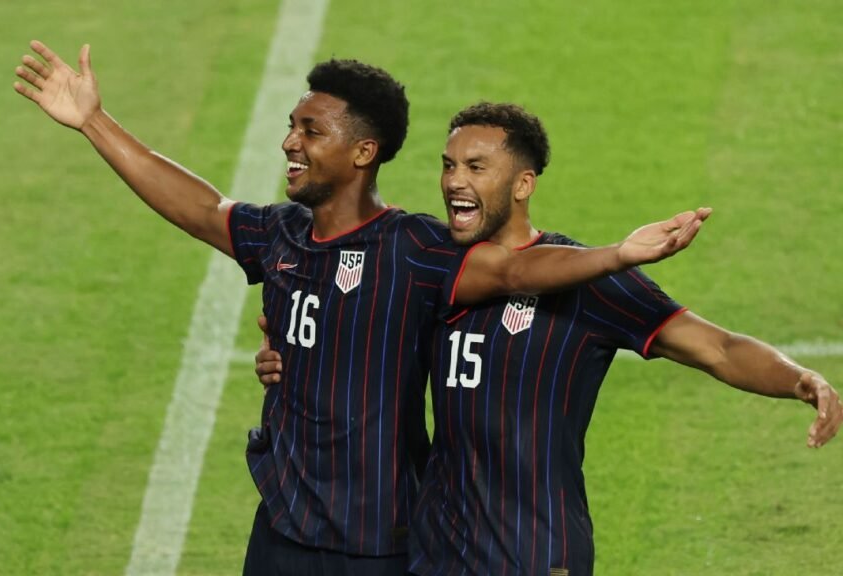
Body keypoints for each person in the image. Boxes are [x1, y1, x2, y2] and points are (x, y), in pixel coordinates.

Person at [13, 42, 708, 576]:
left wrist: (616, 254)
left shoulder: (415, 249)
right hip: (282, 529)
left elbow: (515, 267)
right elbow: (199, 208)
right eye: (293, 126)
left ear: (363, 151)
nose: (290, 142)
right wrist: (93, 122)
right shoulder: (280, 233)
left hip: (380, 545)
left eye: (310, 130)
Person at [254, 103, 842, 575]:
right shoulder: (427, 270)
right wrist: (283, 357)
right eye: (448, 165)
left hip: (534, 552)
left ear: (523, 184)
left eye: (476, 168)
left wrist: (800, 379)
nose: (454, 182)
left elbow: (718, 347)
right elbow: (350, 332)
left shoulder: (585, 278)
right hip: (435, 552)